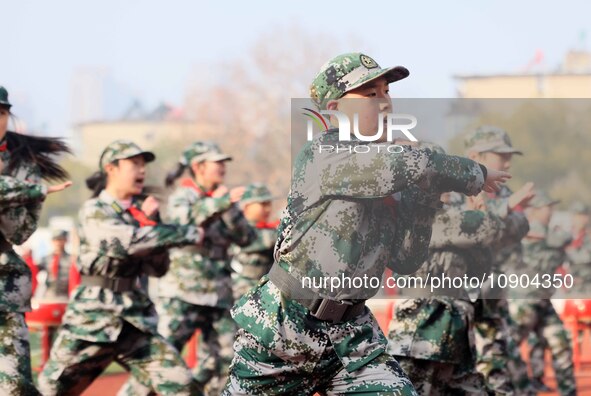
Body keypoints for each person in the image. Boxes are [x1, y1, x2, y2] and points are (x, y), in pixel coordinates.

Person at [222, 52, 510, 395]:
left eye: (387, 92)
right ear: (334, 108)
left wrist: (423, 196)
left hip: (353, 339)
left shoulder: (389, 173)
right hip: (284, 331)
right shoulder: (324, 155)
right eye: (370, 95)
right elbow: (412, 163)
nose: (385, 103)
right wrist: (472, 173)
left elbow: (406, 259)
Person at [38, 140, 205, 396]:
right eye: (134, 164)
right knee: (50, 390)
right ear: (111, 169)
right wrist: (186, 232)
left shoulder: (139, 216)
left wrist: (153, 223)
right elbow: (127, 242)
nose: (142, 171)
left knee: (181, 383)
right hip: (92, 317)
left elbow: (158, 268)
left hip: (132, 318)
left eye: (143, 165)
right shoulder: (95, 210)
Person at [120, 141, 255, 396]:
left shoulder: (222, 199)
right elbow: (185, 224)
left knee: (229, 357)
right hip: (183, 292)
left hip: (219, 294)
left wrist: (229, 210)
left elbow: (246, 238)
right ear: (199, 167)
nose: (223, 168)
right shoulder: (184, 196)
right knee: (162, 360)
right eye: (218, 163)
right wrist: (220, 202)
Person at [0, 85, 72, 395]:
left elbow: (21, 232)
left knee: (16, 388)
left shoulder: (24, 166)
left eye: (2, 113)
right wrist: (31, 191)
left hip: (6, 285)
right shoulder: (29, 181)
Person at [464, 126, 535, 395]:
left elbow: (518, 228)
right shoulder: (458, 187)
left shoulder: (504, 194)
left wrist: (503, 212)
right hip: (458, 296)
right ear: (475, 155)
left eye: (509, 156)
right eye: (500, 155)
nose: (507, 163)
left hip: (493, 293)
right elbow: (465, 228)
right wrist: (505, 211)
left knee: (501, 363)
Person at [508, 191, 576, 395]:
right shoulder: (530, 228)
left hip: (543, 301)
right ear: (536, 210)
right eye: (548, 207)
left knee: (561, 342)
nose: (551, 211)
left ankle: (568, 391)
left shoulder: (544, 231)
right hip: (524, 300)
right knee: (507, 347)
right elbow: (561, 238)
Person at [230, 183, 278, 301]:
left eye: (269, 203)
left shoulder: (270, 229)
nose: (268, 209)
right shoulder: (241, 230)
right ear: (246, 206)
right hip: (240, 291)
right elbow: (267, 239)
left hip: (264, 289)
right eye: (262, 204)